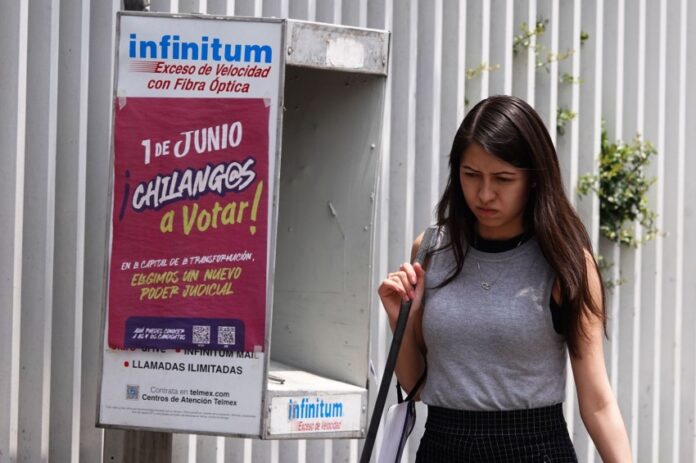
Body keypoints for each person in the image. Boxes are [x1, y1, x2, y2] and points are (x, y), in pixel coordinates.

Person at [378, 95, 632, 462]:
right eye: (471, 175)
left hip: (535, 450)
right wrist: (398, 317)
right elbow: (415, 384)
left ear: (532, 180)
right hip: (441, 447)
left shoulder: (566, 264)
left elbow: (597, 403)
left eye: (503, 178)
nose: (484, 193)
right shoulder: (431, 250)